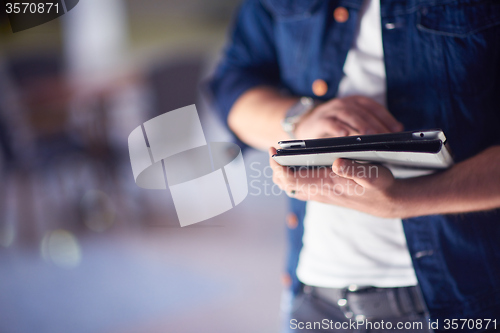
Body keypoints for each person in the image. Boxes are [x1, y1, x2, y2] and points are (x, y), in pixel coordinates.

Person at [208, 0, 500, 331]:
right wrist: (301, 119)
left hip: (466, 303)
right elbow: (232, 86)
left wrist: (409, 198)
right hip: (313, 301)